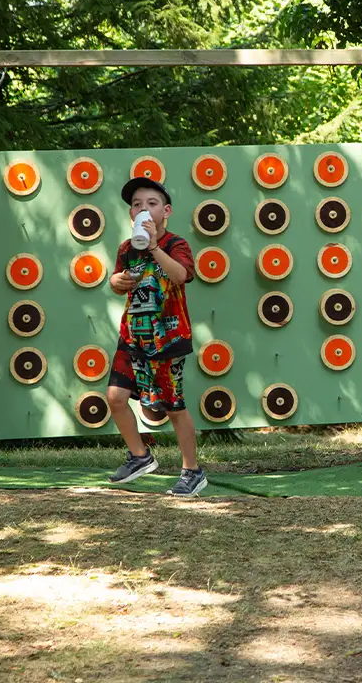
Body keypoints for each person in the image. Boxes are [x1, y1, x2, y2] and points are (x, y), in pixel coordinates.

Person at [105, 177, 206, 497]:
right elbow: (118, 280)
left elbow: (181, 275)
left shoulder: (176, 244)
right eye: (136, 205)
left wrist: (153, 247)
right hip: (132, 335)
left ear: (166, 211)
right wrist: (117, 280)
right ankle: (139, 455)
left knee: (173, 407)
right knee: (115, 398)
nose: (143, 209)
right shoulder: (125, 247)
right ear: (131, 216)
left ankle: (193, 471)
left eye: (151, 204)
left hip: (167, 338)